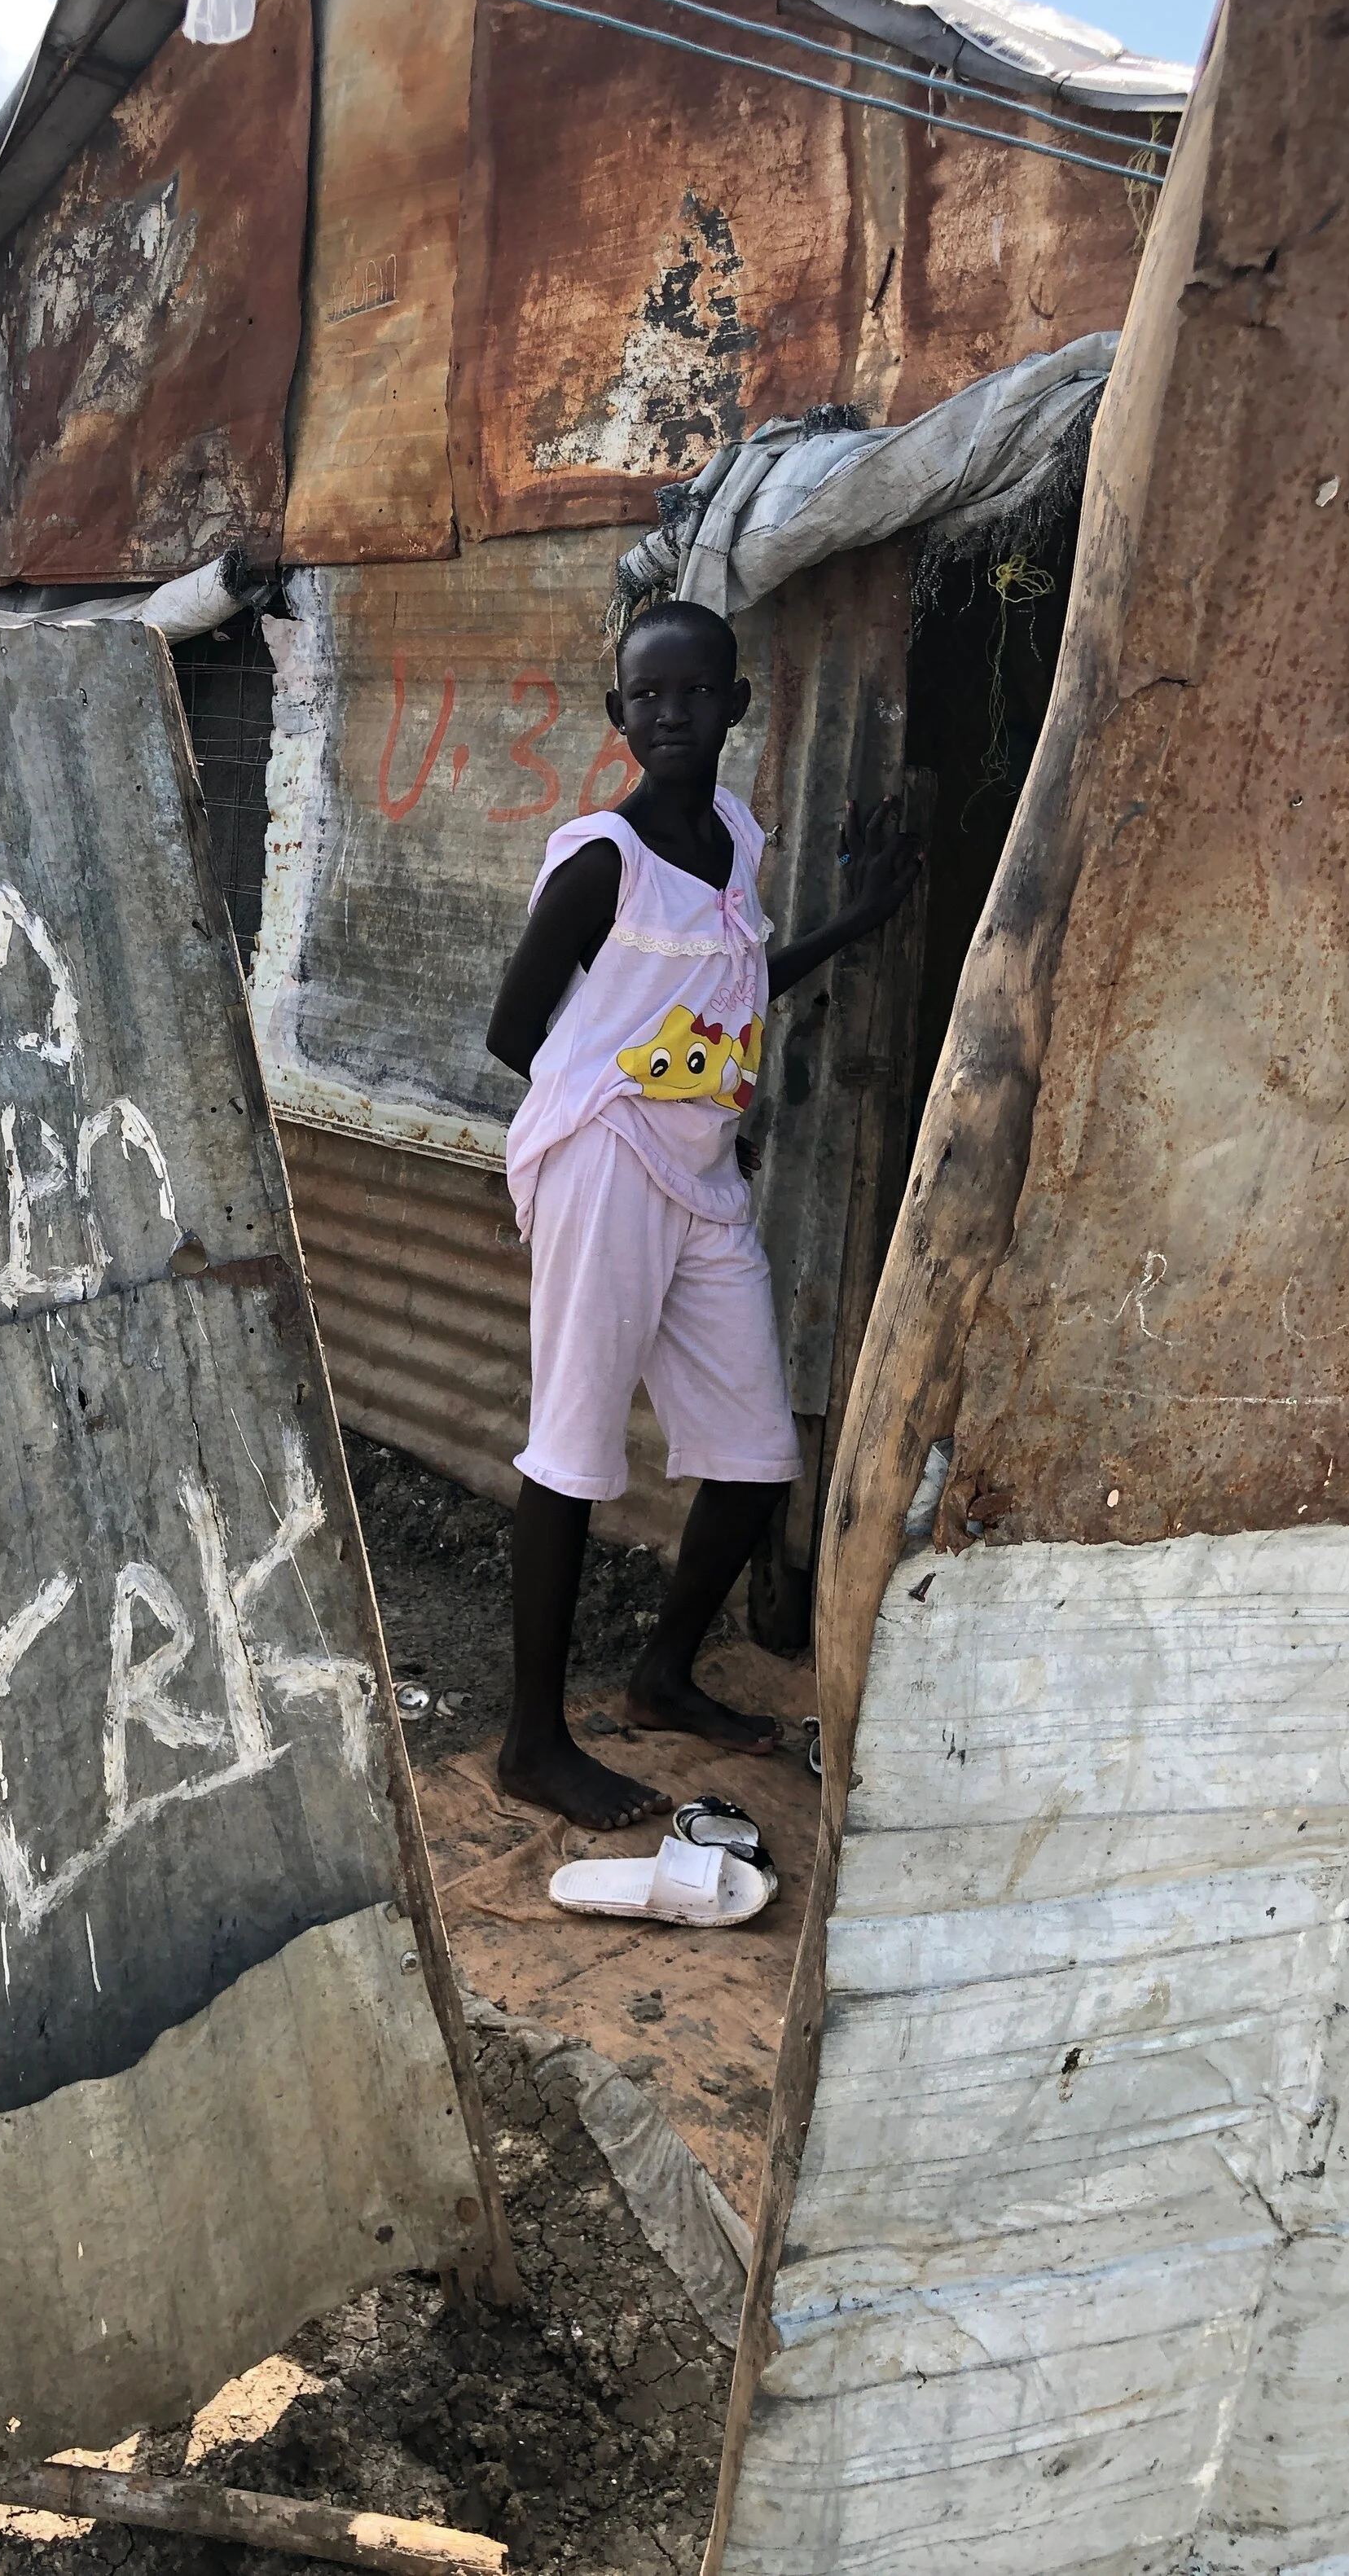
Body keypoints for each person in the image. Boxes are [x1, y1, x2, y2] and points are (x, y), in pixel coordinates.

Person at [485, 593, 921, 1829]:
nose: (670, 712)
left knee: (754, 1452)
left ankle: (663, 1677)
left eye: (693, 692)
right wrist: (633, 1094)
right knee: (573, 1447)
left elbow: (733, 990)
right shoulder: (601, 860)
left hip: (703, 1172)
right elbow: (514, 1033)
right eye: (647, 695)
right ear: (616, 713)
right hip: (607, 1161)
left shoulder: (735, 834)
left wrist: (856, 923)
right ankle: (532, 1745)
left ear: (735, 705)